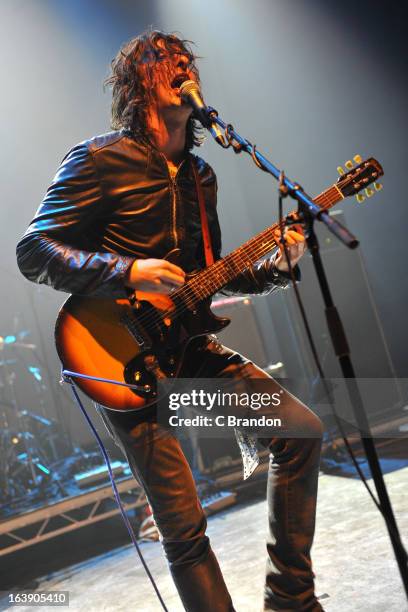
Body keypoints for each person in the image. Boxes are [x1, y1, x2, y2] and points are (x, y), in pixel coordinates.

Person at [16, 30, 324, 612]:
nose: (181, 62)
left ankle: (291, 600)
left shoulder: (200, 175)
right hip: (121, 365)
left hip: (188, 358)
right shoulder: (99, 160)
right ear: (137, 82)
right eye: (164, 58)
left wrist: (277, 268)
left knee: (299, 432)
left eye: (185, 58)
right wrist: (127, 272)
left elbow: (208, 277)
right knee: (184, 529)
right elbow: (33, 251)